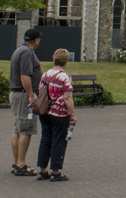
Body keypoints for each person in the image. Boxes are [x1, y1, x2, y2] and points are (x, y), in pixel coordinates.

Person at [35, 48, 76, 181]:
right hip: (59, 113)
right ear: (66, 61)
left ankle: (42, 170)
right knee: (58, 141)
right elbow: (67, 97)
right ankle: (56, 171)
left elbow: (40, 91)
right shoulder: (65, 76)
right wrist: (72, 114)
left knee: (45, 139)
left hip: (45, 112)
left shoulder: (45, 74)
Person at [9, 28, 42, 176]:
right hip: (23, 95)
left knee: (18, 128)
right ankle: (21, 164)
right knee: (26, 129)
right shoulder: (27, 53)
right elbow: (25, 76)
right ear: (35, 40)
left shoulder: (18, 50)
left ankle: (16, 163)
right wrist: (30, 95)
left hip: (17, 93)